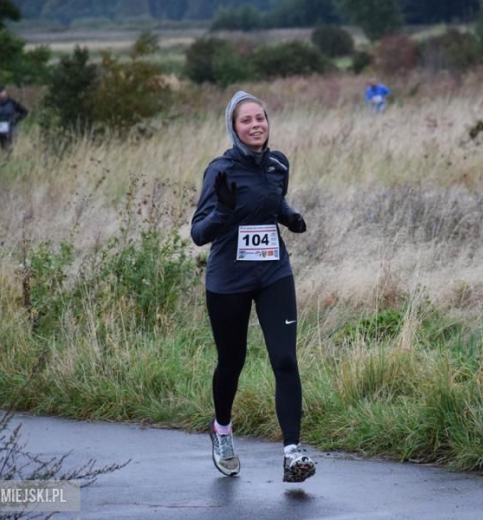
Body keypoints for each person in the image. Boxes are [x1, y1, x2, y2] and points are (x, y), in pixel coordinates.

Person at [190, 90, 315, 484]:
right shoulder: (220, 170)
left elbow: (273, 201)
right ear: (234, 127)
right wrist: (223, 211)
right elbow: (198, 233)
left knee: (285, 360)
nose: (255, 125)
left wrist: (290, 217)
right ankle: (222, 430)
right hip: (229, 279)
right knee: (233, 361)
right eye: (246, 120)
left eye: (260, 117)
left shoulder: (278, 163)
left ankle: (293, 453)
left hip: (273, 273)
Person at [0, 85, 28, 151]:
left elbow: (24, 112)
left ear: (5, 92)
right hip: (0, 129)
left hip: (12, 127)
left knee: (12, 146)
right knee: (3, 147)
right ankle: (5, 159)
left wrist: (17, 119)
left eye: (1, 92)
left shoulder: (12, 102)